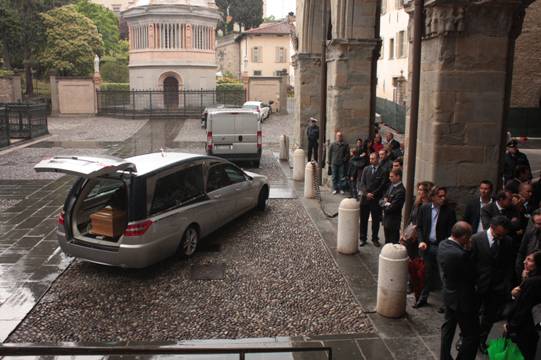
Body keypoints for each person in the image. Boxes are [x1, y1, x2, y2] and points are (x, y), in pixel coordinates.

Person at [470, 216, 514, 354]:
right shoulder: (476, 239)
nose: (500, 238)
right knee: (472, 314)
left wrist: (505, 284)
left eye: (503, 235)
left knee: (489, 317)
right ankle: (467, 339)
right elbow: (470, 264)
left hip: (497, 287)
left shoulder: (508, 241)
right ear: (492, 228)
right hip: (478, 285)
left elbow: (509, 265)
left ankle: (482, 341)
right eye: (498, 235)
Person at [438, 221, 479, 360]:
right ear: (463, 237)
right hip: (462, 299)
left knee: (448, 329)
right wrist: (468, 250)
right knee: (471, 335)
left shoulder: (443, 244)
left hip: (449, 295)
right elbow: (471, 274)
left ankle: (444, 357)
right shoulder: (460, 254)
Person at [415, 186, 457, 308]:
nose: (443, 198)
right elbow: (419, 227)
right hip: (427, 246)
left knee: (443, 275)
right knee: (426, 273)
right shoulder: (425, 208)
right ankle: (423, 298)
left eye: (444, 196)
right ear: (433, 197)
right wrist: (421, 241)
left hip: (441, 247)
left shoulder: (449, 211)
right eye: (440, 196)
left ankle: (445, 304)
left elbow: (452, 230)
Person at [505, 251, 541, 360]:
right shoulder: (532, 280)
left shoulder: (533, 282)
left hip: (524, 328)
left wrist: (510, 327)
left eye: (529, 260)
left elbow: (523, 308)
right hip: (533, 329)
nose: (524, 262)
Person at [358, 152, 387, 247]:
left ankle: (375, 238)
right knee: (363, 220)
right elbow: (362, 183)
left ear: (378, 159)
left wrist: (373, 194)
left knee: (375, 221)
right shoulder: (366, 169)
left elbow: (382, 186)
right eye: (370, 158)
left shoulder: (382, 171)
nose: (371, 160)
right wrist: (366, 193)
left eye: (373, 158)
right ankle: (363, 238)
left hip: (375, 199)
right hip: (365, 199)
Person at [380, 169, 406, 244]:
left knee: (393, 243)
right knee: (387, 241)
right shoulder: (391, 186)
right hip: (387, 220)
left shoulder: (401, 191)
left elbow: (392, 207)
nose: (389, 178)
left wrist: (385, 203)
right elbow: (382, 199)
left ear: (398, 177)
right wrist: (386, 203)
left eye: (391, 176)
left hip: (393, 222)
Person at [515, 209, 541, 278]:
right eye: (539, 224)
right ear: (534, 223)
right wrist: (520, 272)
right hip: (529, 274)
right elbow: (521, 252)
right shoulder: (530, 233)